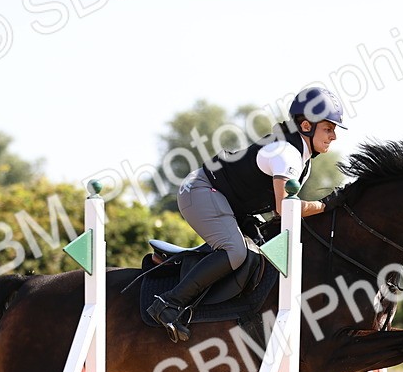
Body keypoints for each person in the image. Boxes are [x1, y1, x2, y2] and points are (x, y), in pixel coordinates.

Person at [146, 86, 347, 342]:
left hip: (227, 201)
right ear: (307, 125)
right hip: (200, 190)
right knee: (235, 251)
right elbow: (284, 208)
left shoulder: (301, 155)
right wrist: (326, 205)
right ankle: (168, 303)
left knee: (263, 248)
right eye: (329, 129)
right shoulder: (287, 154)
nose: (334, 136)